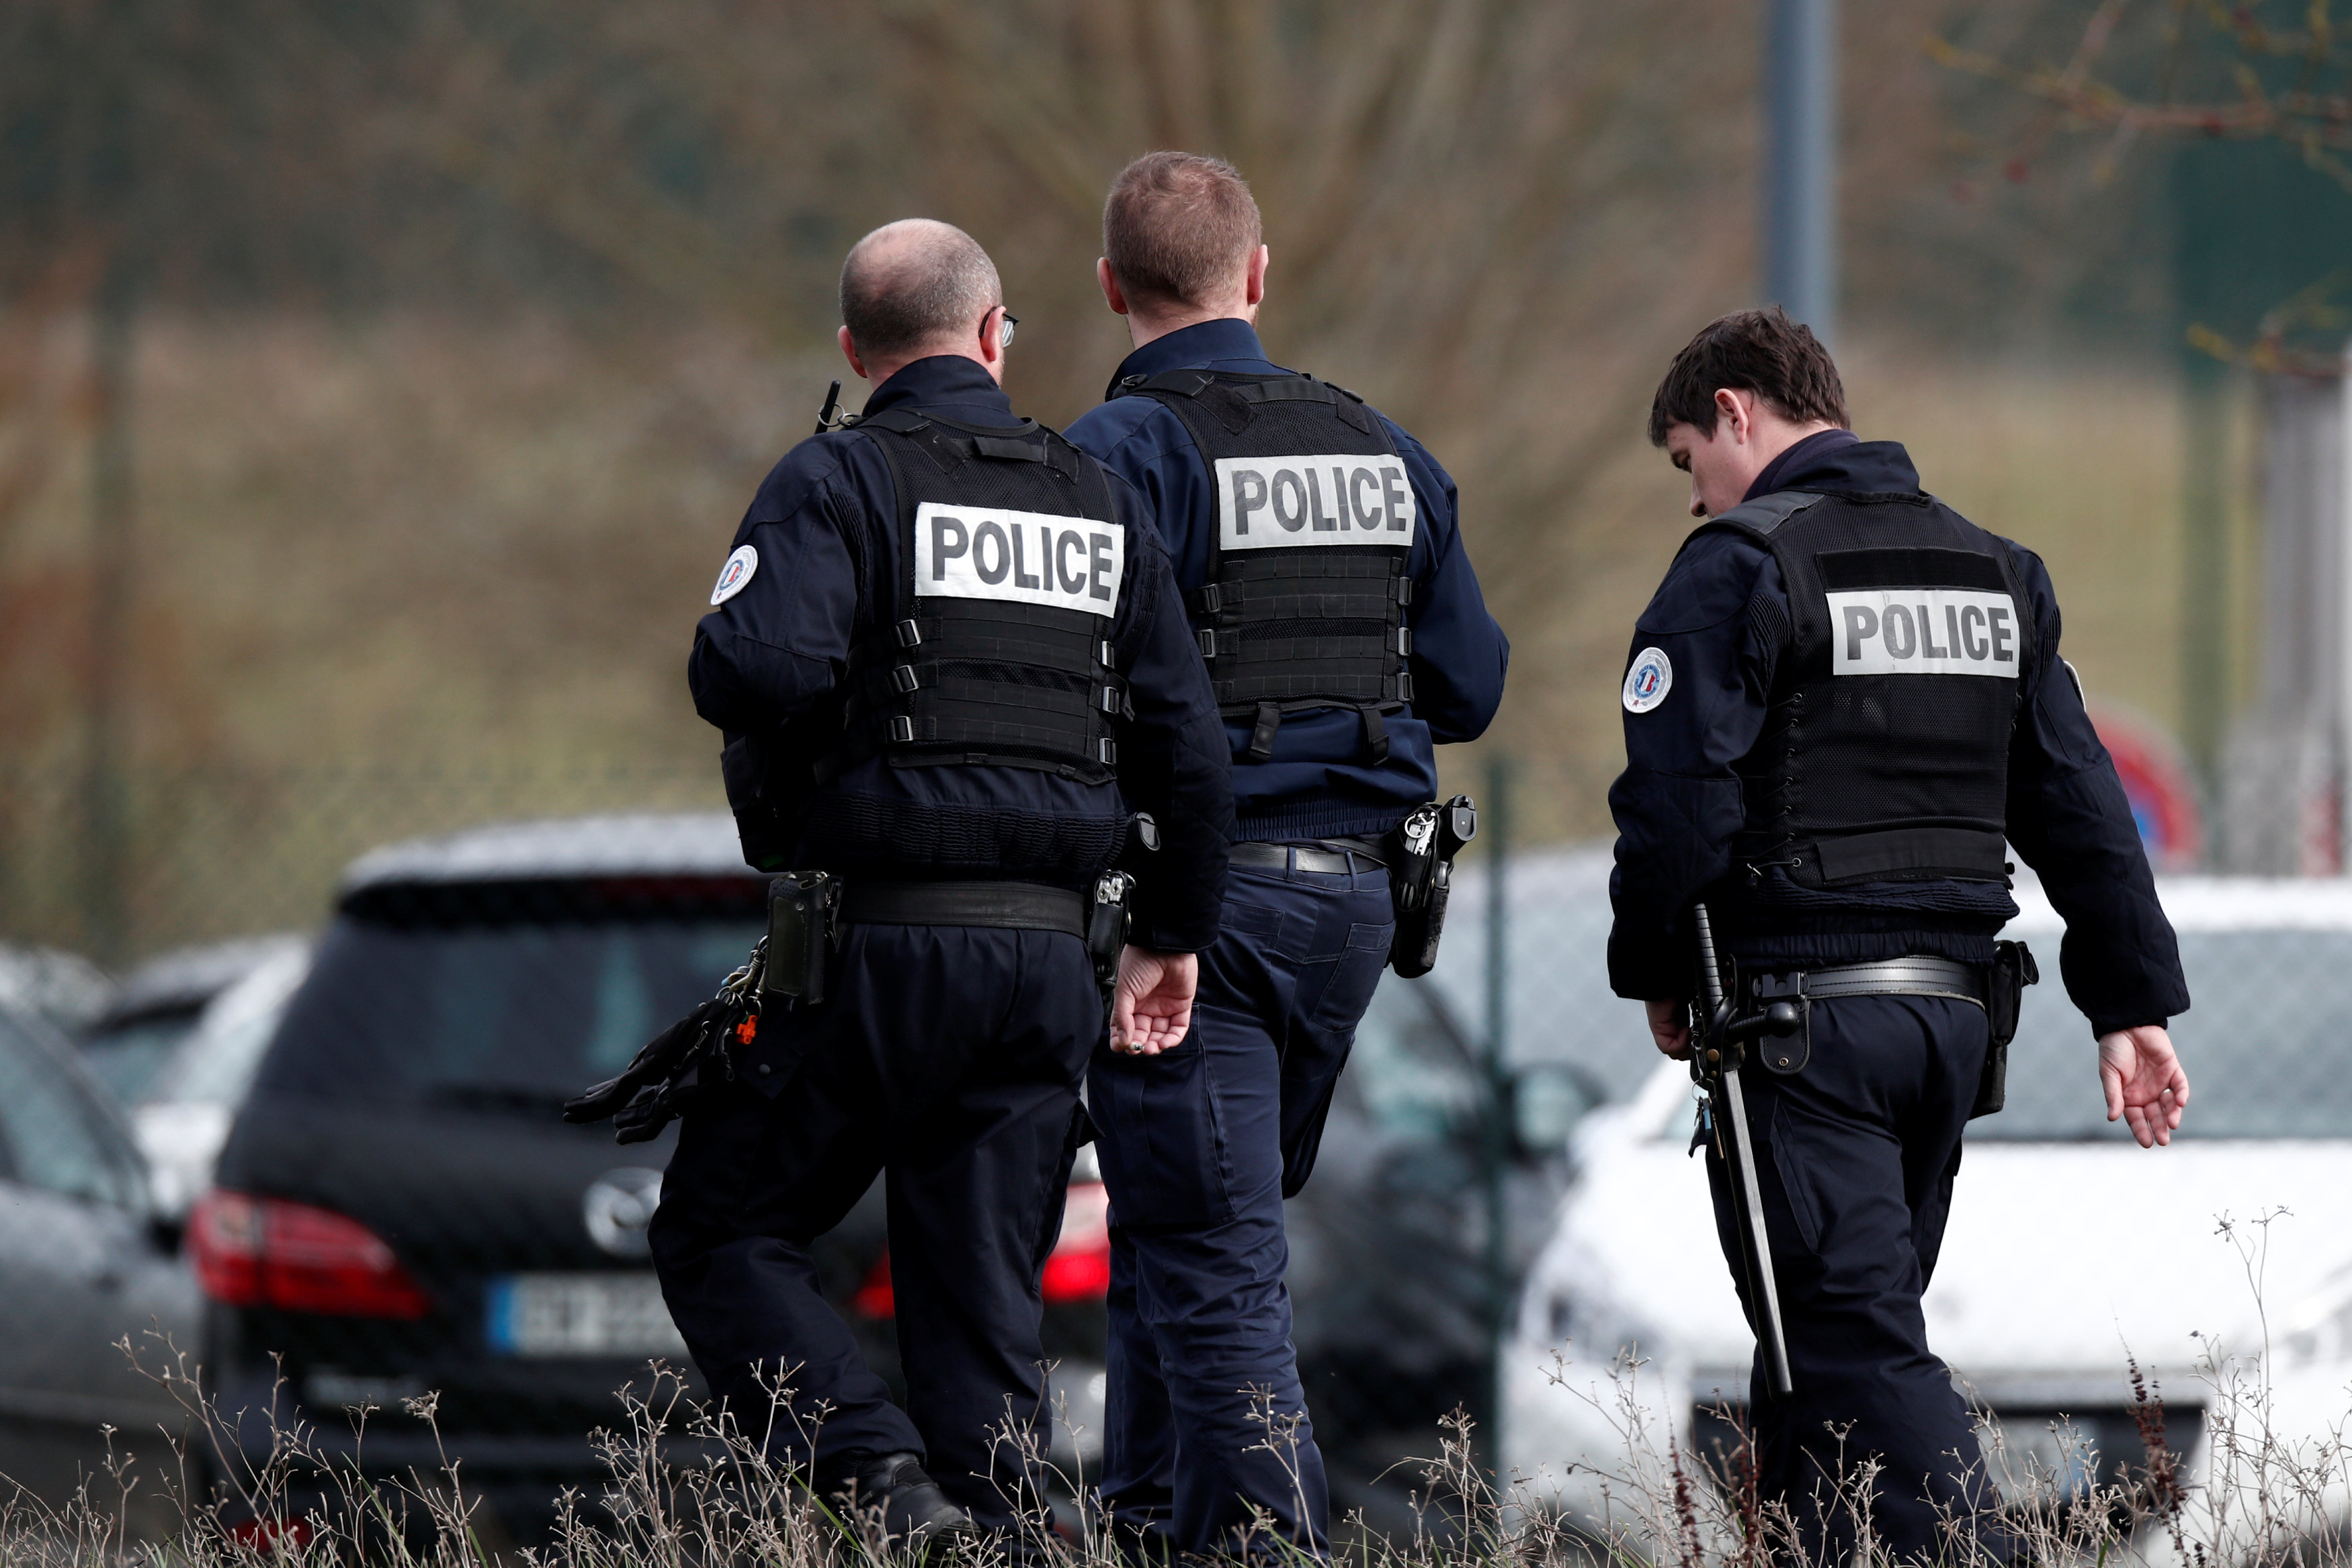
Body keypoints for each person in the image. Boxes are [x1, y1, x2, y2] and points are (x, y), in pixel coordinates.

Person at [649, 218, 1232, 1545]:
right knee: (981, 1328)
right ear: (993, 333)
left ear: (854, 352)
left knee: (721, 1236)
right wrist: (1173, 936)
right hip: (1043, 974)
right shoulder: (1096, 501)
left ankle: (883, 1490)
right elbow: (1187, 752)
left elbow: (751, 673)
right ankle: (997, 1534)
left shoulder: (837, 480)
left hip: (873, 954)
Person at [1609, 306, 2191, 1561]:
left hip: (1799, 1036)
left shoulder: (1740, 567)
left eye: (1686, 464)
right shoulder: (1993, 571)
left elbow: (1677, 806)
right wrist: (2129, 1002)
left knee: (1856, 1350)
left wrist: (1655, 968)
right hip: (1948, 1026)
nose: (1695, 499)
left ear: (1735, 412)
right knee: (1824, 1365)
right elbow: (2081, 803)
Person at [1062, 152, 1509, 1558]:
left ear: (1110, 287)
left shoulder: (1120, 456)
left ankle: (1264, 1547)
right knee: (1180, 1224)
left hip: (1206, 913)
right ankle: (1153, 1526)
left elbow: (1080, 687)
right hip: (1356, 912)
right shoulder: (1383, 447)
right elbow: (1472, 685)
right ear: (1257, 276)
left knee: (1210, 1257)